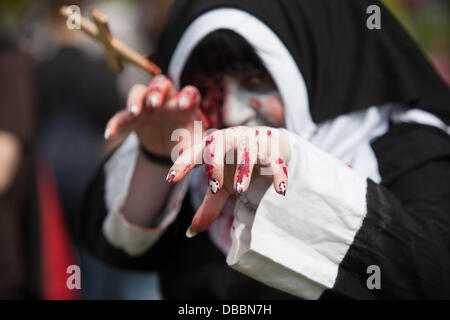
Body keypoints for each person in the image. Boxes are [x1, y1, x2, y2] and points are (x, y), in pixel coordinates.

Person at [80, 0, 450, 299]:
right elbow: (119, 249)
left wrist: (293, 171)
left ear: (311, 73)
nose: (232, 112)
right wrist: (157, 154)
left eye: (256, 81)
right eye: (212, 86)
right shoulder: (201, 156)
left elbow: (433, 275)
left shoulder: (407, 148)